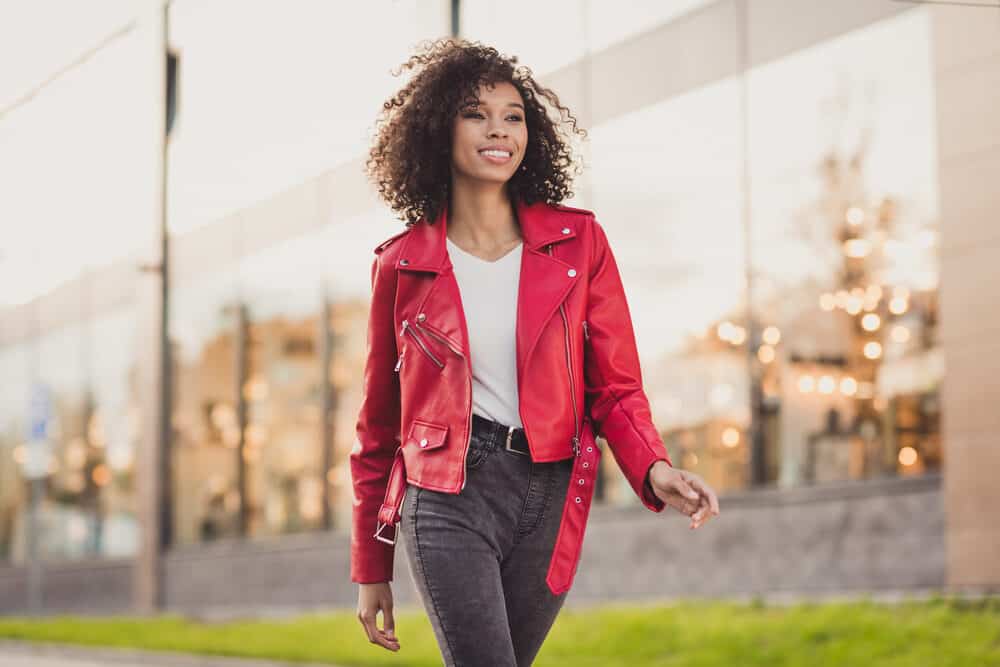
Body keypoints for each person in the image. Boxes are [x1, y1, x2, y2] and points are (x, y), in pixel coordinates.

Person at [352, 38, 720, 666]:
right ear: (438, 129)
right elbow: (380, 427)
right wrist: (370, 564)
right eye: (476, 113)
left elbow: (615, 386)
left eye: (513, 116)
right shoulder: (401, 264)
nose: (499, 130)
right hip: (446, 492)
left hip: (549, 491)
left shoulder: (580, 244)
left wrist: (654, 467)